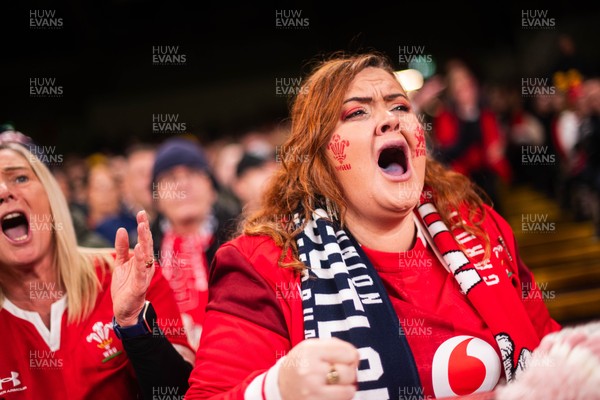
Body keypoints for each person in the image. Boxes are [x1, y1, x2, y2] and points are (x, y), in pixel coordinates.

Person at [178, 52, 560, 399]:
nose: (390, 118)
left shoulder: (478, 227)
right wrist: (274, 390)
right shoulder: (261, 264)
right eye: (357, 113)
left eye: (400, 106)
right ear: (320, 157)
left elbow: (548, 350)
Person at [0, 141, 194, 399]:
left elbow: (181, 394)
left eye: (20, 177)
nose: (3, 191)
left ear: (52, 196)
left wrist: (135, 326)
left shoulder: (128, 273)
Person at [150, 136, 238, 350]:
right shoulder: (143, 251)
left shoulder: (240, 237)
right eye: (170, 178)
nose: (182, 184)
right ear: (156, 197)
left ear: (211, 186)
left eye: (192, 173)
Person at [431, 60, 512, 214]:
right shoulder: (446, 117)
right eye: (459, 85)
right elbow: (446, 152)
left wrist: (499, 147)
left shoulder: (485, 114)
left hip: (489, 178)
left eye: (467, 83)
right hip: (462, 180)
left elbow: (494, 146)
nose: (465, 89)